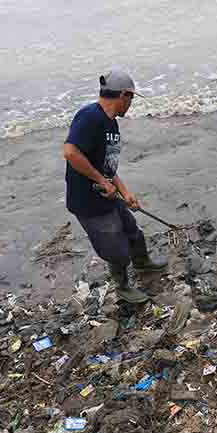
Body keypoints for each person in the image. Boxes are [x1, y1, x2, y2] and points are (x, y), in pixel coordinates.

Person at [63, 68, 166, 305]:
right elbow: (70, 152)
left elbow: (107, 165)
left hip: (109, 196)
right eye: (131, 99)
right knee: (116, 250)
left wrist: (126, 192)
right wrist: (100, 181)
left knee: (133, 232)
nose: (130, 105)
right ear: (124, 96)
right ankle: (122, 287)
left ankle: (142, 263)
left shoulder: (111, 124)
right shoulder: (90, 116)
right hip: (88, 201)